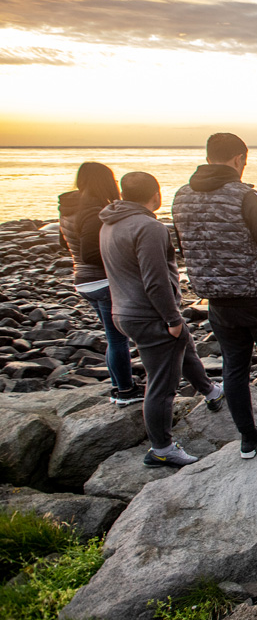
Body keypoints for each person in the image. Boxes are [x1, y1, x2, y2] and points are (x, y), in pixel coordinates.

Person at [173, 133, 257, 460]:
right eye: (245, 161)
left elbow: (184, 247)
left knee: (233, 368)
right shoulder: (245, 197)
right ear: (238, 158)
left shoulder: (181, 198)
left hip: (218, 301)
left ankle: (248, 438)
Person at [99, 172, 223, 468]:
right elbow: (155, 280)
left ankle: (209, 389)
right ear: (155, 195)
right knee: (162, 384)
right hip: (148, 314)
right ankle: (161, 448)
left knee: (184, 344)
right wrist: (171, 318)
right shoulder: (149, 227)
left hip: (122, 310)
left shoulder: (109, 223)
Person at [58, 162, 140, 406]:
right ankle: (125, 390)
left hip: (83, 282)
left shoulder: (68, 208)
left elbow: (66, 246)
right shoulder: (94, 210)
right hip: (102, 281)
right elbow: (90, 253)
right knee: (118, 339)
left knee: (112, 336)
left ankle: (118, 387)